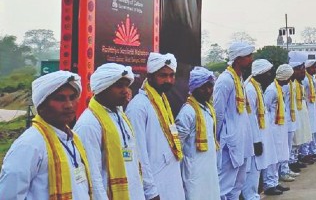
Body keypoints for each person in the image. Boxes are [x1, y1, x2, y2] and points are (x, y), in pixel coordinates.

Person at [0, 71, 91, 199]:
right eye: (60, 99)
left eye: (72, 97)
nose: (69, 105)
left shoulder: (73, 138)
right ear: (42, 105)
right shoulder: (30, 144)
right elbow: (9, 195)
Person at [73, 62, 147, 200]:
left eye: (126, 85)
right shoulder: (89, 124)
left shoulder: (120, 115)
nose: (125, 90)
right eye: (119, 86)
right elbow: (93, 178)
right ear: (103, 88)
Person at [126, 52, 185, 200]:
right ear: (150, 76)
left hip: (171, 177)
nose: (169, 80)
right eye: (163, 76)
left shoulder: (162, 100)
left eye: (172, 76)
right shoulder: (138, 106)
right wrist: (150, 190)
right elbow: (139, 153)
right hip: (155, 183)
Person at [213, 41, 255, 200]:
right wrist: (218, 139)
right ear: (238, 59)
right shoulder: (225, 80)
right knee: (225, 185)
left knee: (238, 184)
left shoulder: (239, 79)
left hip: (242, 140)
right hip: (230, 141)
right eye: (248, 56)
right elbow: (218, 112)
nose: (251, 60)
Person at [176, 66, 222, 200]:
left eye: (210, 86)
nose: (208, 90)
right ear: (194, 88)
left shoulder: (208, 108)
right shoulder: (188, 112)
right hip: (193, 169)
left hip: (209, 167)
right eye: (203, 87)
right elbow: (178, 143)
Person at [245, 59, 277, 199]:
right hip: (254, 135)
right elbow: (250, 116)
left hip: (260, 132)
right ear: (261, 73)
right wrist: (256, 140)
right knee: (253, 167)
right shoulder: (250, 89)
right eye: (268, 73)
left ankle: (253, 194)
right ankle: (250, 196)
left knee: (258, 166)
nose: (270, 76)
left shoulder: (257, 86)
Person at [264, 65, 294, 192]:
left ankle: (275, 181)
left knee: (279, 154)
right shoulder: (272, 90)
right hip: (272, 126)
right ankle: (269, 184)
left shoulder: (279, 88)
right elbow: (265, 107)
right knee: (273, 155)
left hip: (280, 125)